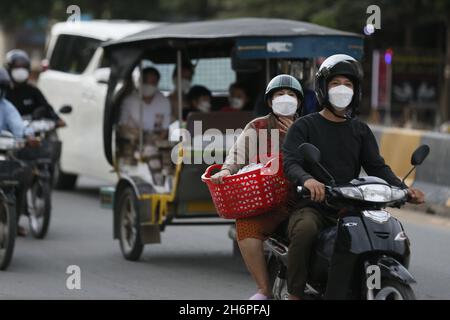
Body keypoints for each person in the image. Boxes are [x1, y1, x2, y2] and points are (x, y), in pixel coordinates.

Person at [282, 54, 425, 300]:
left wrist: (403, 188)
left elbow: (376, 167)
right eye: (335, 83)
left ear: (356, 91)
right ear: (323, 89)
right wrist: (308, 180)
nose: (342, 89)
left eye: (348, 84)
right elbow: (291, 163)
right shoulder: (304, 126)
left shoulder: (360, 130)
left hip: (351, 206)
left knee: (387, 232)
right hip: (314, 205)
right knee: (305, 230)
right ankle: (295, 294)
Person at [210, 75, 304, 300]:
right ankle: (264, 289)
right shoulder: (258, 126)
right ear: (270, 101)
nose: (285, 98)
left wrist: (294, 135)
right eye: (280, 94)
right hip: (267, 199)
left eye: (291, 95)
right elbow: (237, 154)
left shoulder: (307, 126)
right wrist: (226, 170)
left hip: (302, 200)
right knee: (246, 229)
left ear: (299, 102)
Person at [118, 67, 172, 186]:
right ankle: (158, 183)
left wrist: (158, 139)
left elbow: (165, 129)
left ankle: (169, 181)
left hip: (156, 138)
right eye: (147, 81)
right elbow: (122, 126)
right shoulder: (129, 101)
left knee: (172, 152)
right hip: (135, 139)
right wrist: (138, 134)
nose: (149, 85)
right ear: (141, 81)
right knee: (150, 151)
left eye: (153, 82)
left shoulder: (163, 101)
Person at [0, 67, 35, 237]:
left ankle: (15, 218)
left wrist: (28, 136)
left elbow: (19, 127)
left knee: (24, 173)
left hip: (5, 154)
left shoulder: (7, 107)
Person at [4, 49, 65, 126]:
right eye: (17, 67)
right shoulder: (3, 90)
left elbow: (46, 107)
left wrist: (56, 119)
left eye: (24, 67)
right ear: (8, 69)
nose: (20, 70)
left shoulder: (32, 91)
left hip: (30, 130)